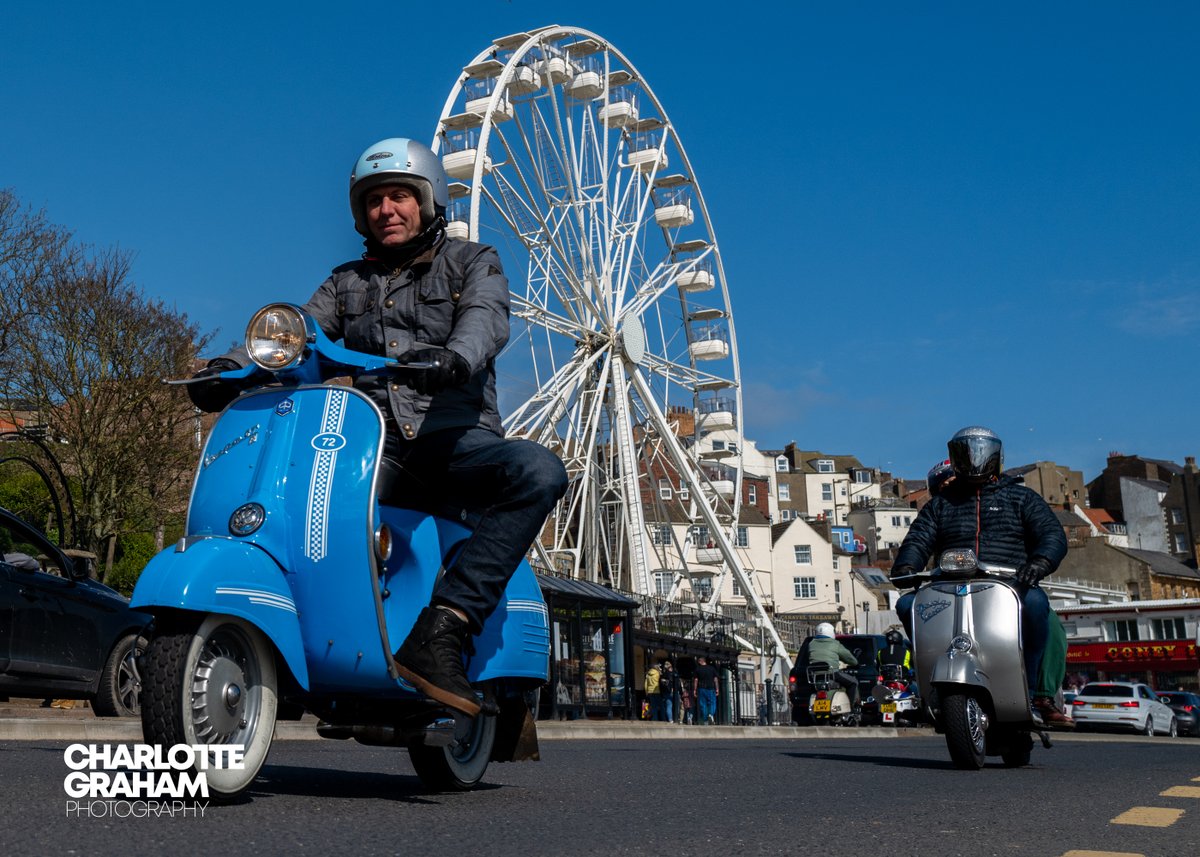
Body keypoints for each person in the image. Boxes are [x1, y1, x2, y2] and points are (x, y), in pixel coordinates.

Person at [188, 137, 568, 718]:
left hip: (452, 440)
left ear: (428, 201)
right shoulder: (345, 283)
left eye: (399, 196)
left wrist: (455, 359)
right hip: (372, 441)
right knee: (303, 498)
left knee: (539, 471)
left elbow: (485, 321)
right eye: (373, 201)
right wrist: (231, 370)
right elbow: (295, 336)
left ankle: (445, 627)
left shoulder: (473, 262)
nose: (385, 209)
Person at [891, 426, 1067, 723]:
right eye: (965, 454)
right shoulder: (940, 505)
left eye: (980, 453)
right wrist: (906, 567)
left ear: (995, 457)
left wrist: (1039, 563)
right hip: (949, 585)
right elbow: (918, 539)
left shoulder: (1021, 498)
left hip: (1008, 584)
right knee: (907, 604)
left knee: (1036, 605)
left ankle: (1036, 692)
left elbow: (1052, 534)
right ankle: (930, 683)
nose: (973, 461)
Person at [796, 622, 860, 706]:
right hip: (832, 674)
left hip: (815, 676)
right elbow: (849, 658)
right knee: (853, 682)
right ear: (831, 632)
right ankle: (851, 707)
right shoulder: (835, 644)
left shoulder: (811, 644)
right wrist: (855, 663)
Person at [693, 656, 719, 725]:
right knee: (712, 703)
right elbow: (715, 679)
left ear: (700, 661)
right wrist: (717, 688)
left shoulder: (697, 669)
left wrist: (695, 690)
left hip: (701, 688)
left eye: (698, 661)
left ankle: (705, 720)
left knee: (703, 704)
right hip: (711, 688)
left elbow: (696, 680)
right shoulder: (712, 668)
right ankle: (710, 714)